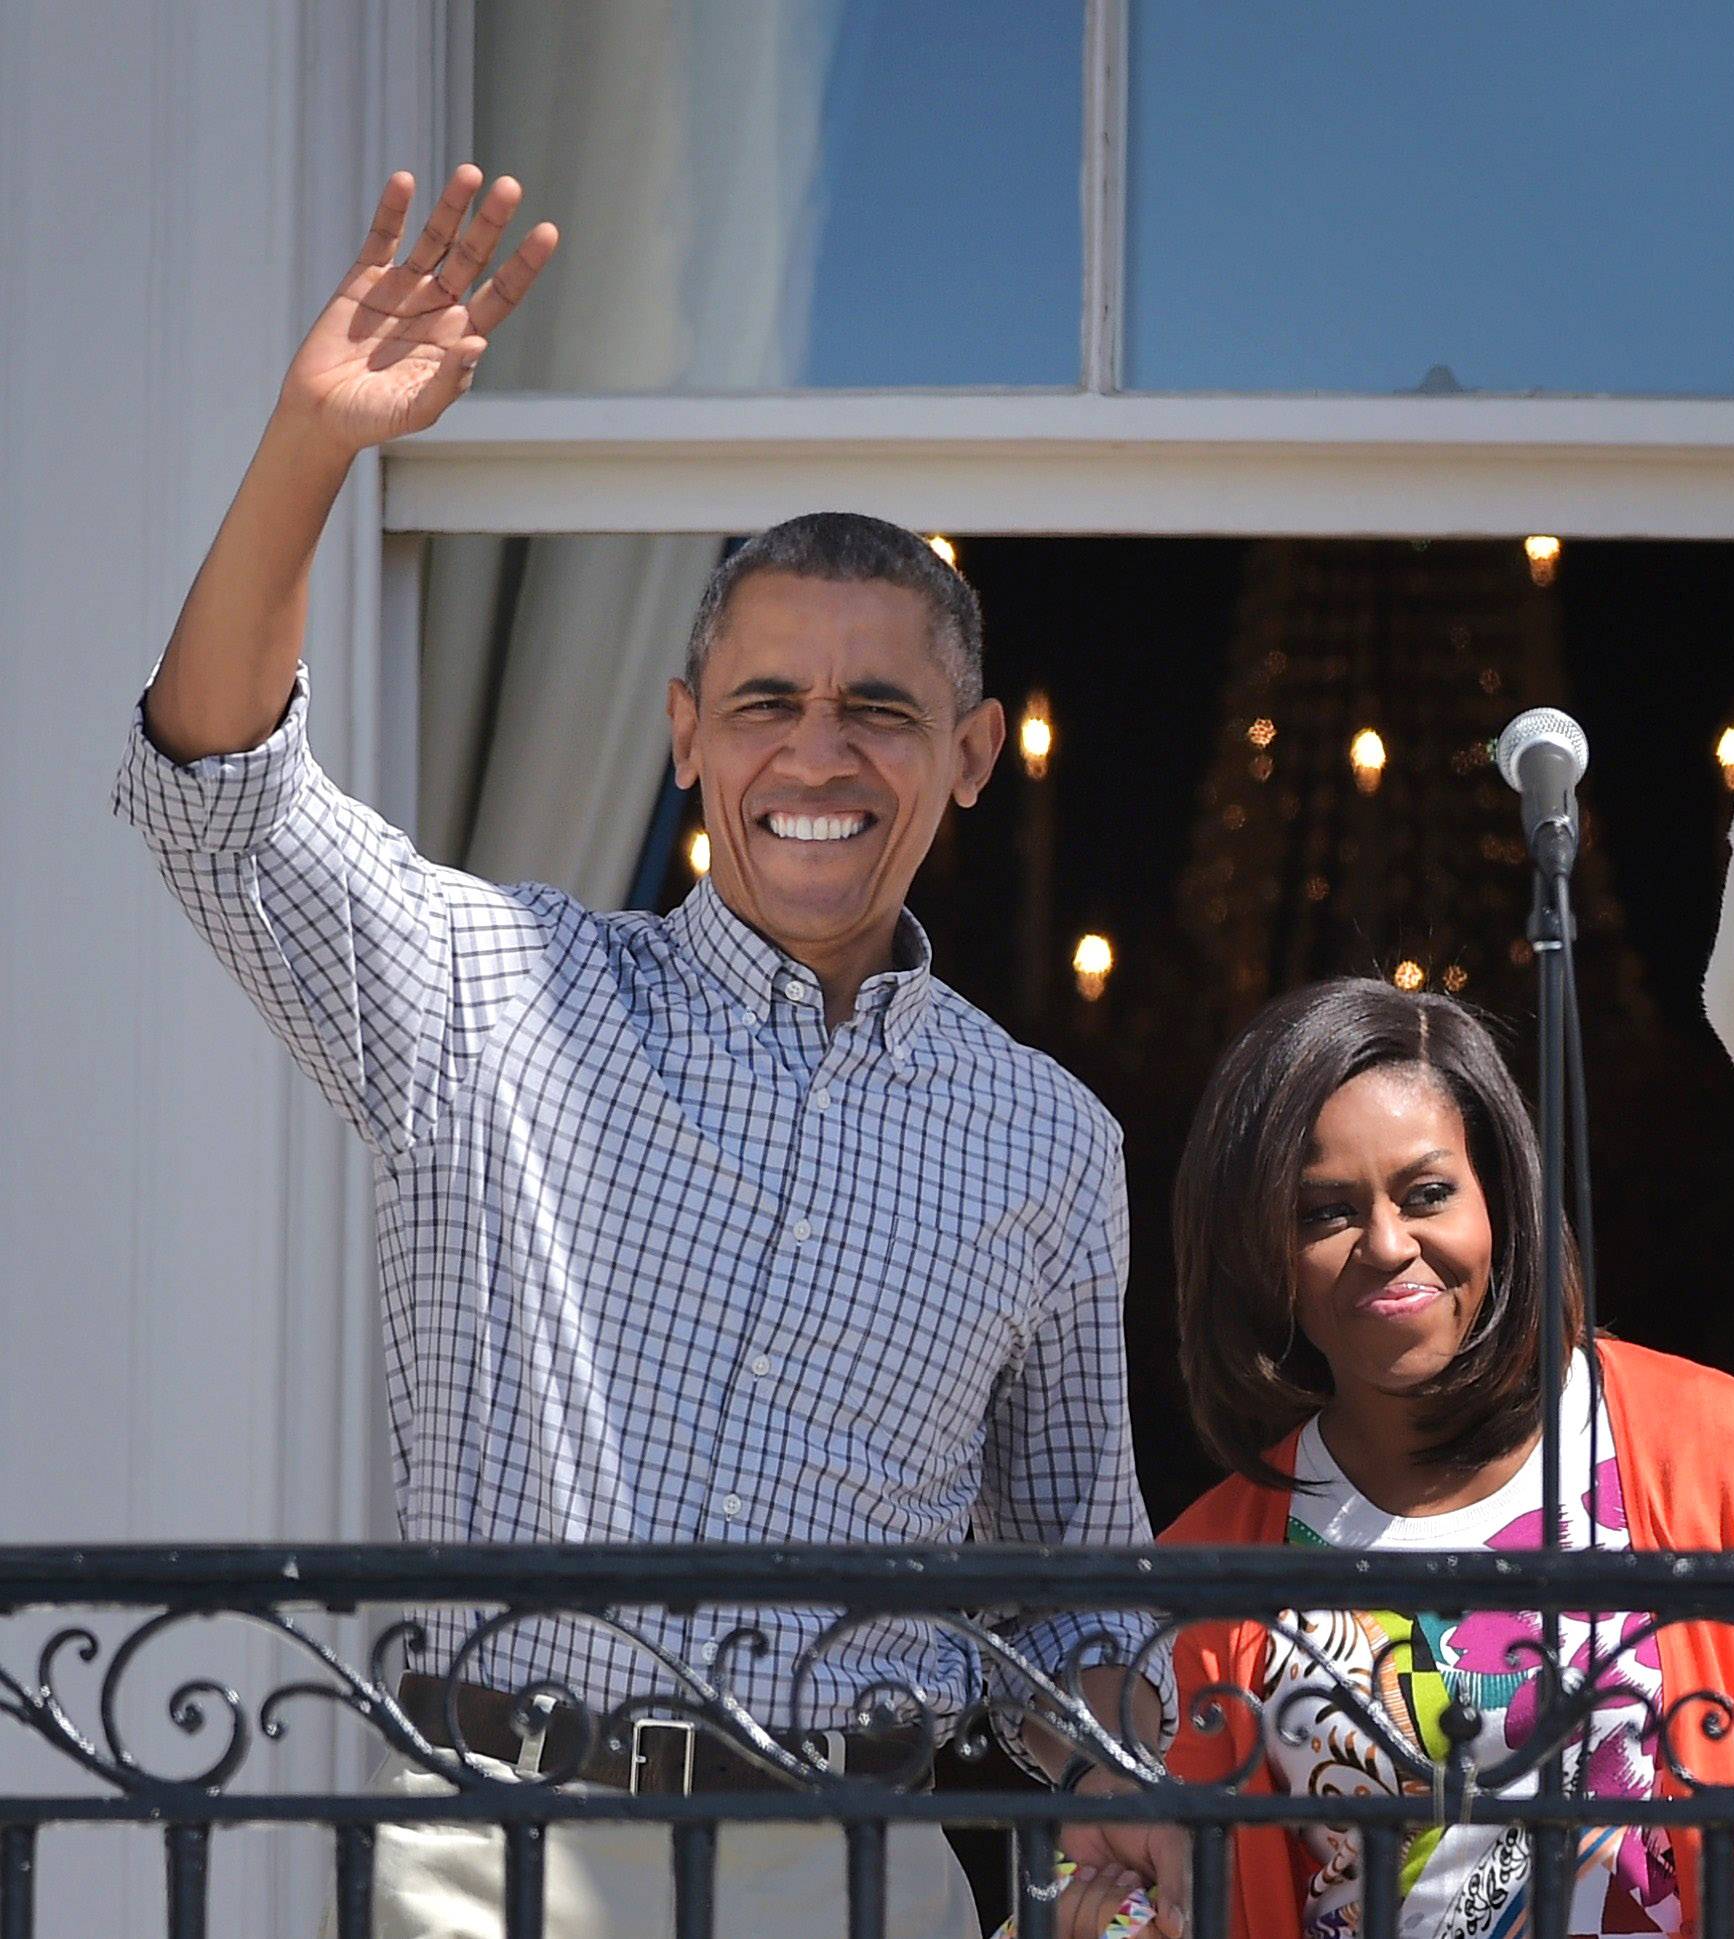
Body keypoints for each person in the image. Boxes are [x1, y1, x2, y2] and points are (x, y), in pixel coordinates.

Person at [115, 166, 1152, 1938]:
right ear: (683, 736)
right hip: (498, 1847)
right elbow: (216, 799)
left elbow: (1066, 1574)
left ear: (970, 752)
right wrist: (312, 440)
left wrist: (1128, 1796)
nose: (814, 756)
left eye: (878, 710)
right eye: (765, 703)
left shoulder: (1049, 1139)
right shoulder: (490, 986)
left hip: (853, 1864)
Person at [1054, 980, 1734, 1939]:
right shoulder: (1211, 1570)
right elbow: (1154, 1888)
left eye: (1427, 1191)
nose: (1387, 1243)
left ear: (1502, 1204)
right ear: (1262, 1252)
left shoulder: (1731, 1456)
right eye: (1325, 1211)